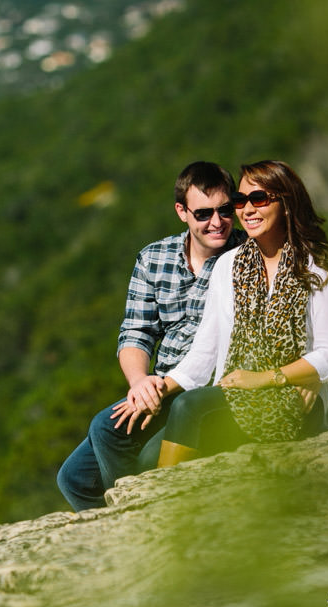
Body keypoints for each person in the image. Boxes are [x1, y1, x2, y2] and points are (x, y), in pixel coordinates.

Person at [111, 160, 328, 467]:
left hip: (292, 398)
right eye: (240, 200)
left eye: (259, 199)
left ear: (287, 204)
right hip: (232, 394)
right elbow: (205, 352)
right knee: (142, 455)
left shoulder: (314, 269)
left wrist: (268, 379)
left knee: (187, 410)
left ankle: (167, 508)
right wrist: (154, 390)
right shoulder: (228, 266)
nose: (247, 209)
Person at [56, 161, 246, 511]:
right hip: (160, 386)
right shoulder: (153, 258)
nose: (216, 222)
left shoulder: (245, 257)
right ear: (182, 212)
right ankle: (123, 538)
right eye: (203, 213)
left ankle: (145, 525)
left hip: (204, 390)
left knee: (131, 449)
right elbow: (136, 332)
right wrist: (140, 382)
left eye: (225, 209)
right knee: (74, 478)